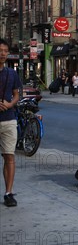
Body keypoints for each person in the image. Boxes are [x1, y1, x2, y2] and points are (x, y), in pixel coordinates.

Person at [0, 38, 22, 207]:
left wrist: (10, 104)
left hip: (8, 119)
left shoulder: (12, 73)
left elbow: (16, 95)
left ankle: (9, 193)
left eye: (5, 51)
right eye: (0, 50)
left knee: (9, 156)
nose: (3, 54)